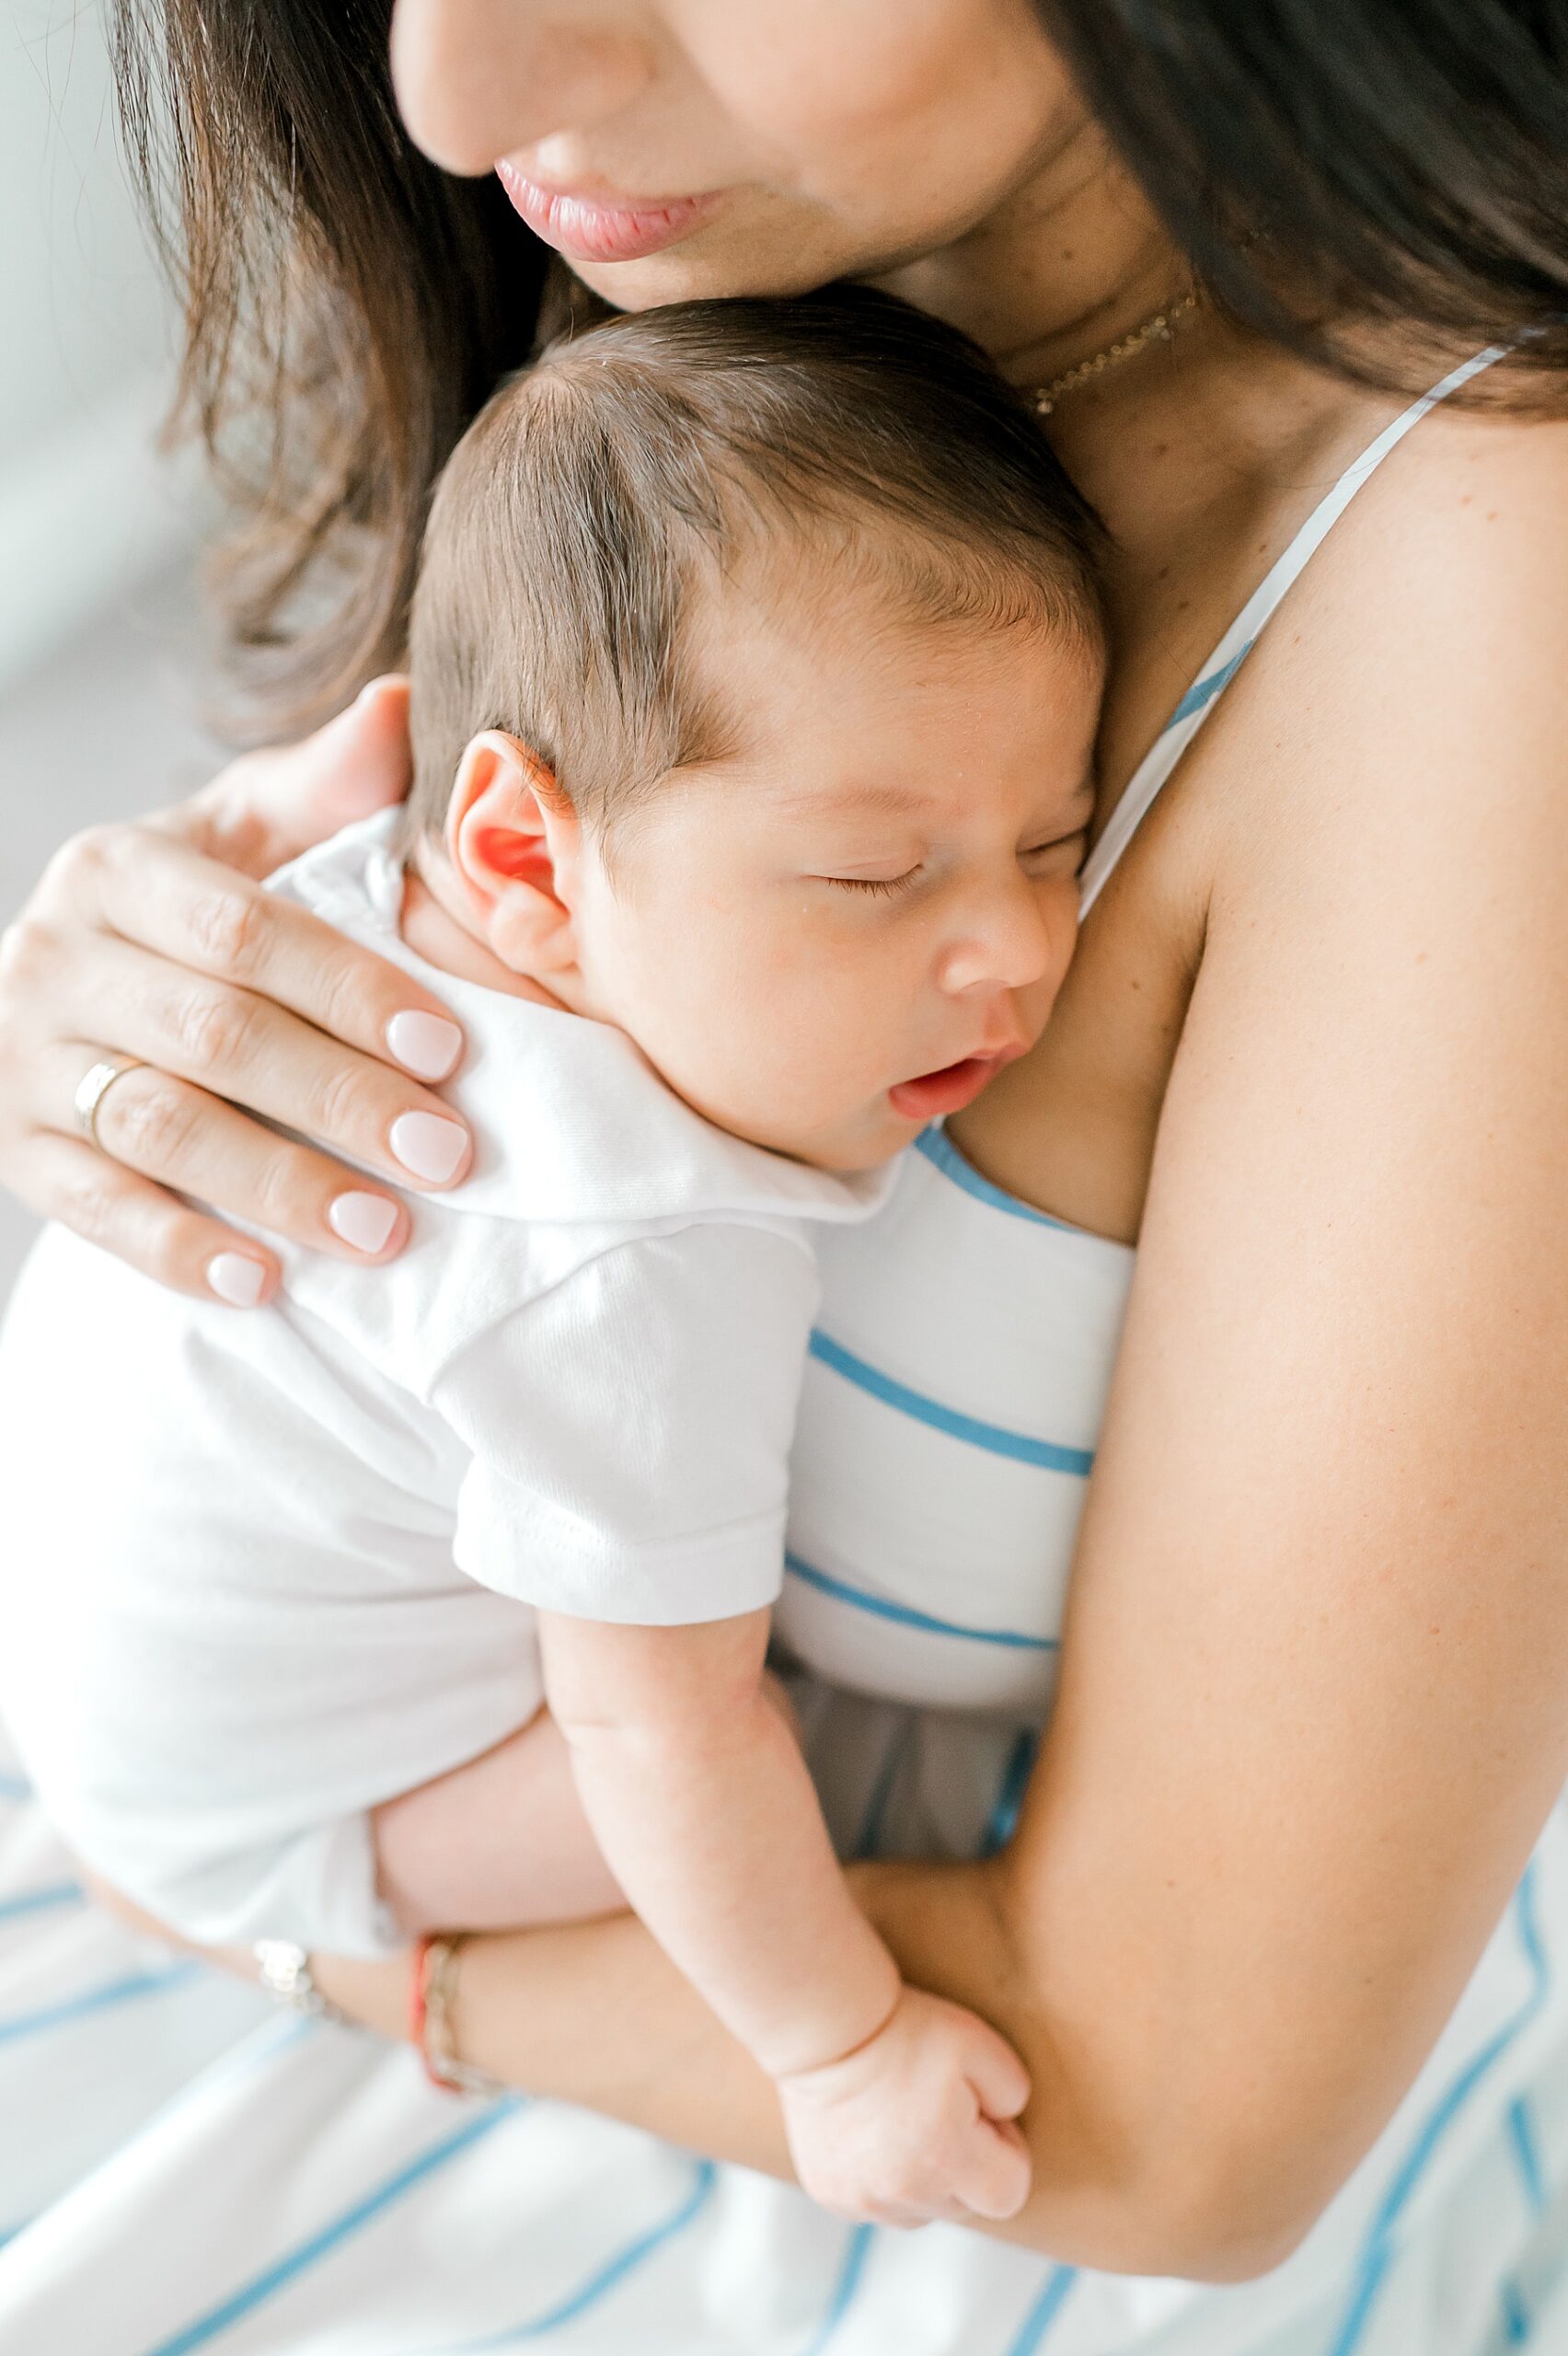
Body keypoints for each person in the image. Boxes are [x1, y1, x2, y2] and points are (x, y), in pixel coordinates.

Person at [1, 3, 1566, 2350]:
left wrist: (286, 1918)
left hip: (881, 2110)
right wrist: (148, 1024)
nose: (445, 92)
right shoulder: (715, 332)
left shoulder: (1485, 611)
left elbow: (1183, 2109)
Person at [0, 284, 1107, 2229]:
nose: (1012, 949)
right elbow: (655, 1728)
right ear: (521, 852)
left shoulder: (379, 879)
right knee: (760, 1754)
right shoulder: (630, 1249)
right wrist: (837, 2050)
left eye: (1057, 839)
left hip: (100, 1651)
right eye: (876, 873)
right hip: (265, 1806)